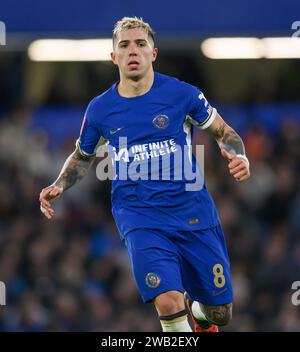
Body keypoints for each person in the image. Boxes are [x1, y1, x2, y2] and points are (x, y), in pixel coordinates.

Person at [39, 16, 250, 332]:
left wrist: (238, 153)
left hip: (192, 211)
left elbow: (223, 131)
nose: (132, 50)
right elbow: (82, 156)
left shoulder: (183, 95)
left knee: (219, 312)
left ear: (153, 53)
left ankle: (201, 314)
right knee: (167, 300)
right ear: (114, 57)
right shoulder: (100, 109)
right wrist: (59, 184)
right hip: (139, 215)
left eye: (140, 44)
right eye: (124, 45)